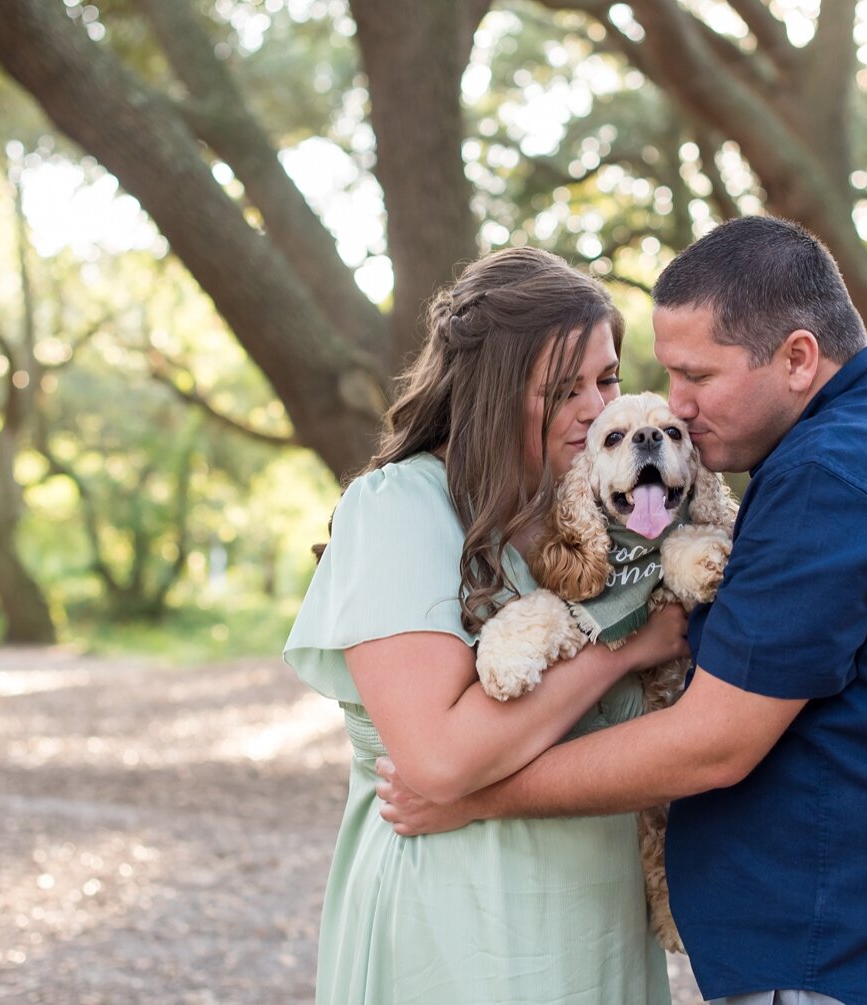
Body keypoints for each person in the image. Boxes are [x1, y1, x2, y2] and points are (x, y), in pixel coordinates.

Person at [377, 217, 867, 1005]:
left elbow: (713, 744)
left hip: (843, 954)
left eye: (698, 377)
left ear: (797, 357)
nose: (676, 408)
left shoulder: (832, 474)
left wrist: (477, 796)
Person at [283, 246, 690, 1003]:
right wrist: (623, 642)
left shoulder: (614, 517)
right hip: (459, 926)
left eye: (606, 378)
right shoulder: (400, 508)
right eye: (562, 389)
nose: (598, 407)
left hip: (598, 922)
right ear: (495, 392)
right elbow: (437, 760)